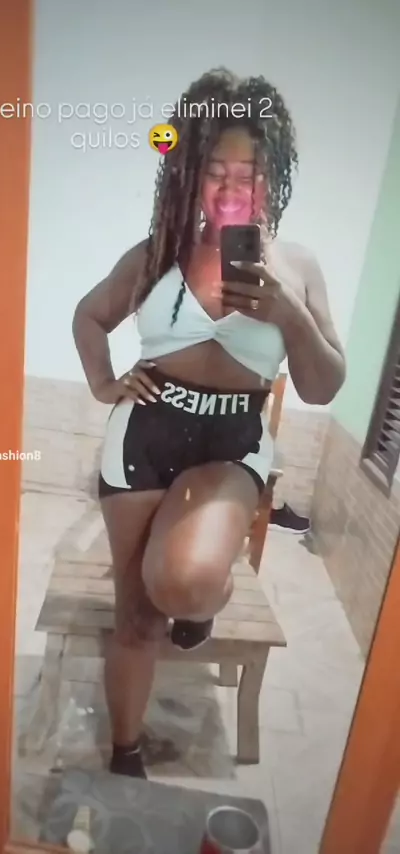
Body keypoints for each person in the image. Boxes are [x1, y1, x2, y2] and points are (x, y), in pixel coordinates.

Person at [73, 69, 346, 779]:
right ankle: (126, 754)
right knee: (136, 613)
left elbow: (323, 387)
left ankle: (205, 602)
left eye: (248, 174)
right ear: (189, 175)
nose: (230, 188)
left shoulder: (297, 267)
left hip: (231, 443)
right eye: (214, 171)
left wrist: (288, 313)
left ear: (273, 177)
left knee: (185, 581)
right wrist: (103, 381)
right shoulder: (158, 252)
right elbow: (90, 316)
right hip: (142, 435)